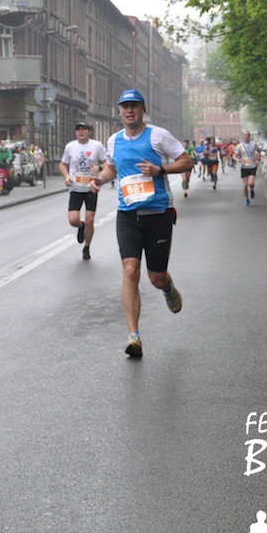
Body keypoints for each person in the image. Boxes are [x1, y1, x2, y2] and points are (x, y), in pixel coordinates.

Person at [91, 89, 192, 357]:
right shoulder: (114, 140)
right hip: (128, 215)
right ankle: (133, 335)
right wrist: (99, 179)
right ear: (119, 111)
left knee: (156, 276)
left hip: (158, 214)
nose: (129, 111)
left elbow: (187, 161)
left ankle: (168, 288)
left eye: (134, 106)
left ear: (143, 109)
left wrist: (161, 170)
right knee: (130, 270)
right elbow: (112, 167)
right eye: (125, 106)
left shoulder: (158, 136)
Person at [60, 121, 107, 260]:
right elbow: (63, 164)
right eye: (78, 130)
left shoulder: (97, 145)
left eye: (84, 129)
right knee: (73, 220)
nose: (81, 132)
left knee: (90, 219)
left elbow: (107, 163)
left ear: (89, 132)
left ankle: (87, 247)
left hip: (91, 187)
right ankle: (81, 226)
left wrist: (99, 167)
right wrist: (67, 176)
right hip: (75, 188)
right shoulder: (70, 146)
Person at [237, 131, 261, 205]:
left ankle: (252, 189)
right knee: (245, 185)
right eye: (245, 135)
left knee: (251, 183)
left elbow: (259, 151)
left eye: (247, 135)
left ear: (249, 136)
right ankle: (247, 199)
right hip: (244, 167)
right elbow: (235, 155)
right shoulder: (240, 145)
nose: (246, 136)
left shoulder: (253, 144)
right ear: (243, 136)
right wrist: (237, 159)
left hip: (252, 166)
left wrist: (258, 159)